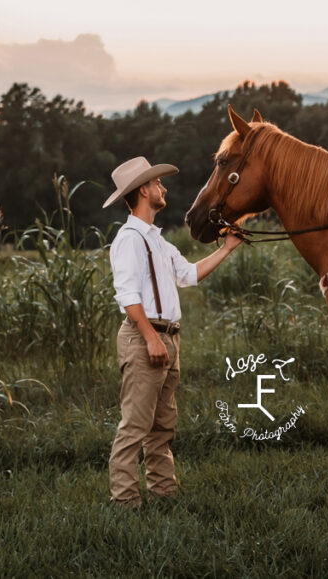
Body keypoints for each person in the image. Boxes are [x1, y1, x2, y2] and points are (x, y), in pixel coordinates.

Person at [103, 157, 243, 506]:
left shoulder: (159, 242)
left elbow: (189, 275)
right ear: (144, 191)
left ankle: (164, 494)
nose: (163, 188)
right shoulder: (129, 239)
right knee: (135, 425)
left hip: (168, 338)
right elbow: (128, 297)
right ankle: (125, 503)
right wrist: (151, 338)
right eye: (158, 184)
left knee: (163, 426)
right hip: (144, 338)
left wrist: (227, 248)